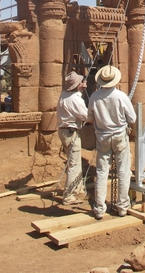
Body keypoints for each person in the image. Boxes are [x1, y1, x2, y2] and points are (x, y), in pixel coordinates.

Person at [87, 65, 136, 220]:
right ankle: (122, 206)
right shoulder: (121, 97)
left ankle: (99, 208)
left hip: (102, 137)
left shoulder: (94, 97)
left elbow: (89, 118)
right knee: (123, 171)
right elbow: (133, 118)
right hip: (120, 136)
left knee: (102, 172)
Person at [57, 71, 88, 205]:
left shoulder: (65, 95)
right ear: (77, 85)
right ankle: (68, 196)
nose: (84, 82)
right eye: (82, 81)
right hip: (71, 133)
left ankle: (77, 189)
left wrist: (80, 90)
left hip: (64, 131)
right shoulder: (75, 100)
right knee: (74, 165)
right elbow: (86, 116)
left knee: (75, 162)